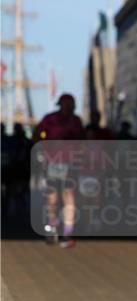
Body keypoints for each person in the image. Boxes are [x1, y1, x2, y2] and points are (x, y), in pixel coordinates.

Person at [33, 94, 86, 248]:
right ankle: (52, 226)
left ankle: (68, 232)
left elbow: (82, 141)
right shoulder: (49, 119)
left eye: (71, 104)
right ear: (61, 105)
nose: (69, 107)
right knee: (52, 196)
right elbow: (37, 134)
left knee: (69, 195)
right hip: (53, 162)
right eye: (67, 104)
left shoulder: (76, 121)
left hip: (71, 163)